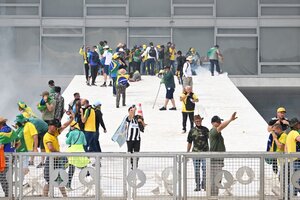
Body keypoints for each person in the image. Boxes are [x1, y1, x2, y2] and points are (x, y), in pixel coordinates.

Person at [43, 115, 73, 197]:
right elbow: (50, 148)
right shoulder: (47, 136)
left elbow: (64, 126)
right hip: (51, 159)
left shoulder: (54, 133)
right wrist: (60, 154)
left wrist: (71, 119)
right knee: (49, 180)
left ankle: (65, 197)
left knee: (60, 179)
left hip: (56, 159)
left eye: (56, 127)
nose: (56, 128)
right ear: (49, 126)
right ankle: (45, 197)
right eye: (54, 126)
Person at [209, 112, 237, 196]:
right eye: (218, 122)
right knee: (215, 180)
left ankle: (214, 195)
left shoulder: (217, 133)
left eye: (220, 121)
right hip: (215, 160)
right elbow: (221, 127)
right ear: (213, 123)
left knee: (218, 179)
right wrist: (230, 120)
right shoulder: (213, 131)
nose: (220, 123)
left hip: (219, 160)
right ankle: (213, 196)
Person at [187, 115, 209, 191]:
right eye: (196, 121)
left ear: (201, 120)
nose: (198, 122)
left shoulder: (205, 130)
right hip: (195, 153)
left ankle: (204, 184)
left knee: (205, 169)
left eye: (199, 121)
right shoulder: (192, 130)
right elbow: (189, 142)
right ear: (194, 122)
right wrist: (188, 152)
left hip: (205, 153)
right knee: (196, 170)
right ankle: (198, 185)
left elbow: (211, 139)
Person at [65, 121, 90, 190]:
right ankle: (89, 184)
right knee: (85, 168)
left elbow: (67, 142)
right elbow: (85, 143)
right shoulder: (82, 133)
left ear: (73, 126)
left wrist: (69, 137)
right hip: (81, 152)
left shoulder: (71, 133)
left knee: (71, 170)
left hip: (73, 152)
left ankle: (68, 185)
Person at [285, 117, 300, 197]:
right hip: (296, 160)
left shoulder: (289, 134)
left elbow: (286, 147)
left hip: (291, 160)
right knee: (297, 179)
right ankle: (289, 195)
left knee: (294, 179)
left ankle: (288, 195)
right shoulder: (295, 133)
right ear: (296, 125)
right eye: (298, 124)